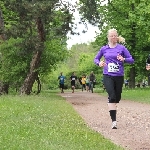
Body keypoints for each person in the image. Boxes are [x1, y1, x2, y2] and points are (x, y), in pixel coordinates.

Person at [94, 28, 134, 129]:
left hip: (119, 76)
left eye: (115, 36)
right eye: (111, 36)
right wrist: (99, 63)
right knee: (111, 96)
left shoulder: (122, 48)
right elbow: (96, 58)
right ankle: (114, 122)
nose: (113, 37)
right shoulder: (104, 49)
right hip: (107, 75)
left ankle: (112, 106)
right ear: (108, 37)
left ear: (117, 37)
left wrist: (124, 59)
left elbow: (131, 59)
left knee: (117, 97)